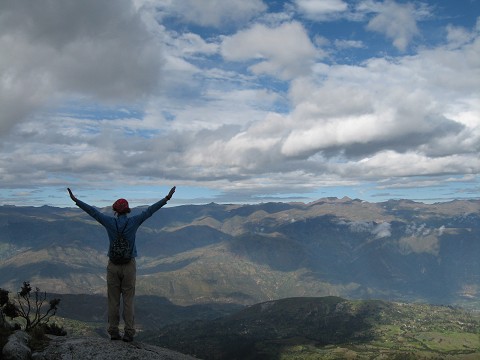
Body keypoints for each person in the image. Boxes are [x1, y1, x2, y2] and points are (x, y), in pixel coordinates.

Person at [67, 186, 176, 342]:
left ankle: (113, 332)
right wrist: (167, 198)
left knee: (113, 301)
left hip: (113, 266)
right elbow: (150, 211)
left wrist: (76, 200)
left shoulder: (109, 222)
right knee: (128, 300)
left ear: (115, 211)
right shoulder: (134, 221)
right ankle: (129, 333)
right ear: (128, 210)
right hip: (129, 265)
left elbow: (93, 212)